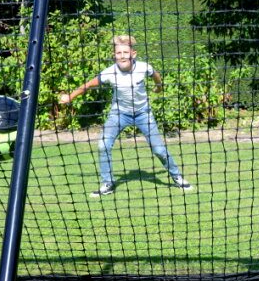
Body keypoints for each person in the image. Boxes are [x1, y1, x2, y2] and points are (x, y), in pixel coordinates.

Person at [59, 35, 192, 197]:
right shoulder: (109, 73)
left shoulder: (144, 67)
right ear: (114, 56)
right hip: (119, 113)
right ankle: (108, 184)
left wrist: (159, 87)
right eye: (119, 53)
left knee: (158, 149)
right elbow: (86, 86)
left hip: (144, 113)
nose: (122, 55)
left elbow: (155, 75)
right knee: (103, 145)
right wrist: (70, 97)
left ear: (133, 54)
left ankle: (177, 176)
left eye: (125, 52)